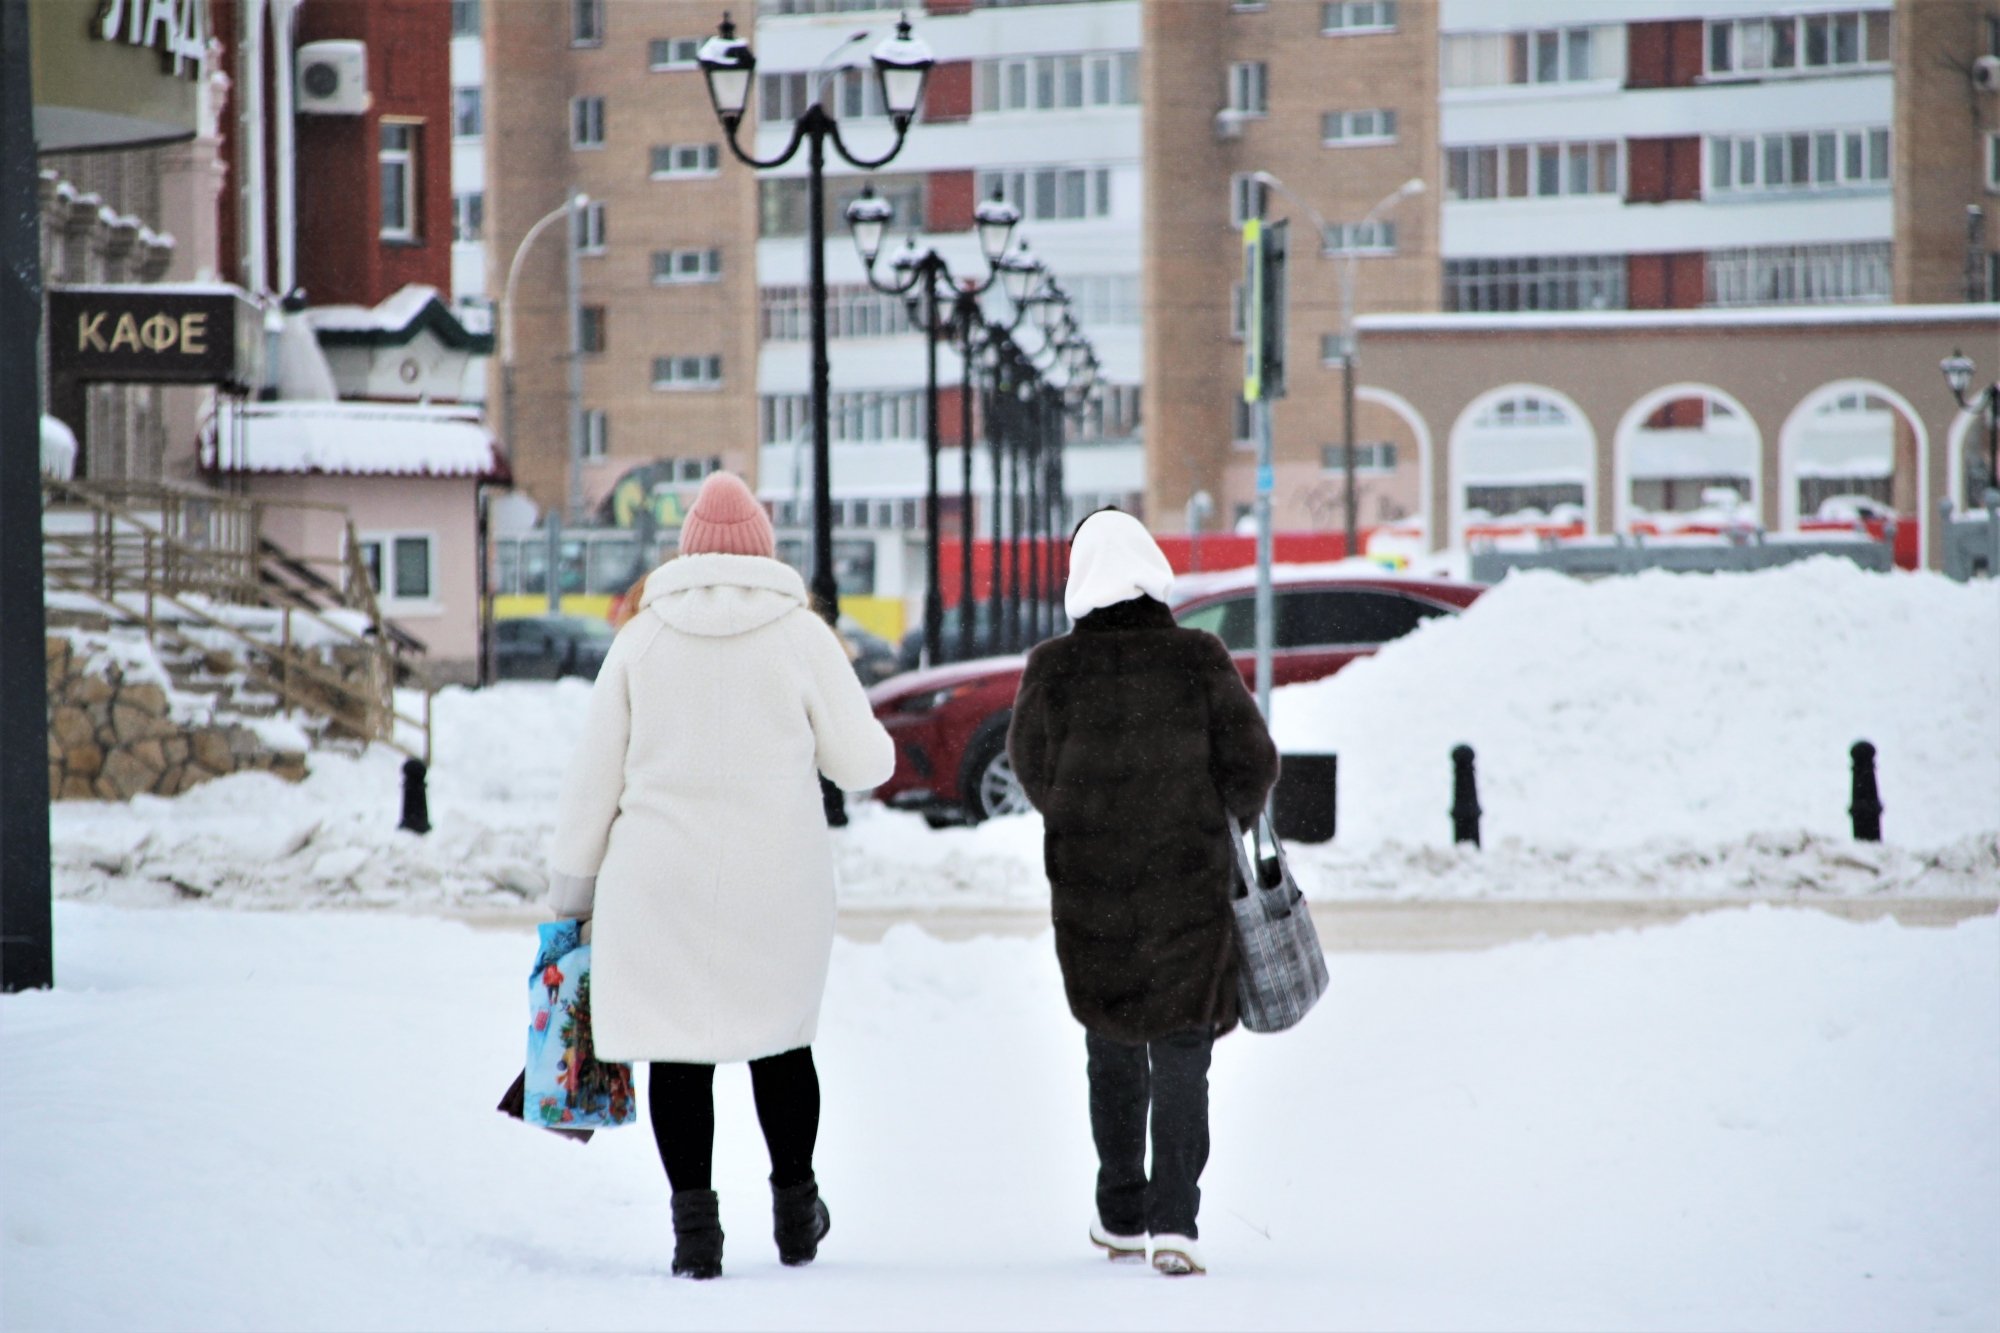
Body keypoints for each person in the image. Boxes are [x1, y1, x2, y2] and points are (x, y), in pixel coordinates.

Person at [546, 471, 895, 1280]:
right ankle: (795, 1210)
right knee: (782, 1047)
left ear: (687, 551)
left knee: (679, 1055)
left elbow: (591, 782)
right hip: (780, 883)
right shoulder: (802, 635)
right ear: (764, 551)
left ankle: (695, 1233)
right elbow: (865, 762)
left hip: (656, 881)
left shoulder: (641, 637)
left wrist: (569, 897)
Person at [1006, 507, 1278, 1278]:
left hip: (1091, 892)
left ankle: (1121, 1211)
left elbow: (1032, 768)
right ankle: (1176, 1223)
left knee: (1112, 1041)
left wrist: (1082, 811)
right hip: (1187, 884)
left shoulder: (1053, 667)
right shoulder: (1198, 656)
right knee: (1184, 1045)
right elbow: (1253, 763)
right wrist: (1221, 811)